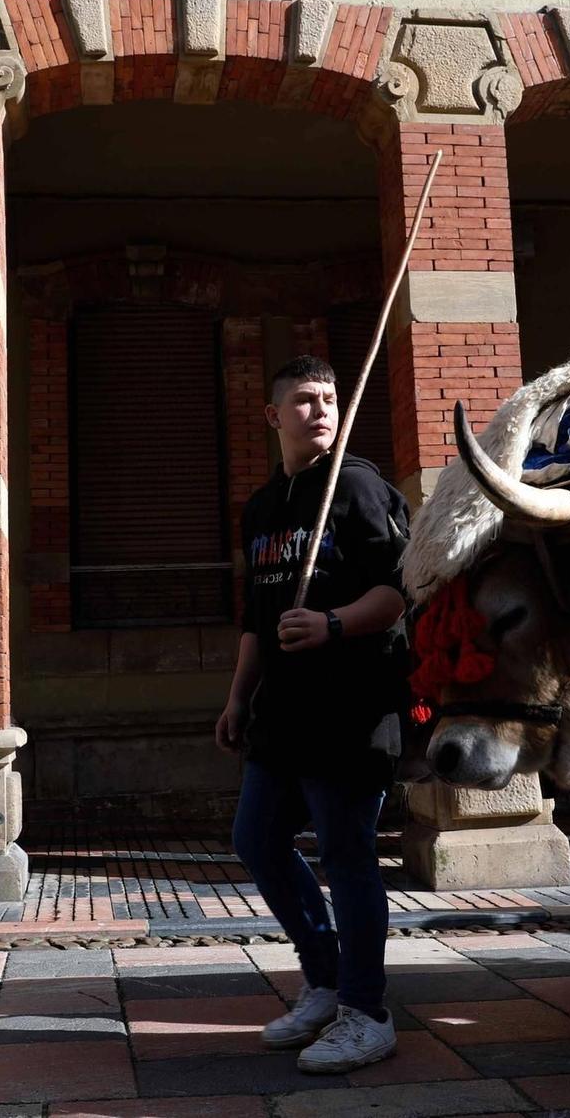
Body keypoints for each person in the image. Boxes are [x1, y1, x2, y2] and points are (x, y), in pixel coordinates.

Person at [217, 356, 410, 1074]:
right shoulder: (263, 509)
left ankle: (368, 1011)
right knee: (257, 839)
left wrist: (333, 624)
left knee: (347, 853)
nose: (320, 408)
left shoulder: (357, 486)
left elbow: (400, 591)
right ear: (273, 415)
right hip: (282, 712)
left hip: (351, 709)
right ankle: (326, 980)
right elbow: (256, 619)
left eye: (329, 397)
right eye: (303, 399)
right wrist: (239, 695)